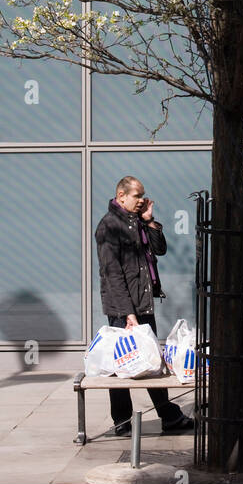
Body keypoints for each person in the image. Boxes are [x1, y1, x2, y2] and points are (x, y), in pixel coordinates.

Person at [95, 175, 193, 437]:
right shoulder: (108, 227)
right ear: (121, 196)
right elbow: (112, 274)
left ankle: (168, 416)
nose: (141, 200)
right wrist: (128, 313)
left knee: (151, 362)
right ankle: (122, 421)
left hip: (143, 303)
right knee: (122, 365)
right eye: (137, 196)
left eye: (143, 195)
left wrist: (149, 220)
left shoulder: (137, 222)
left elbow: (160, 250)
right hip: (122, 309)